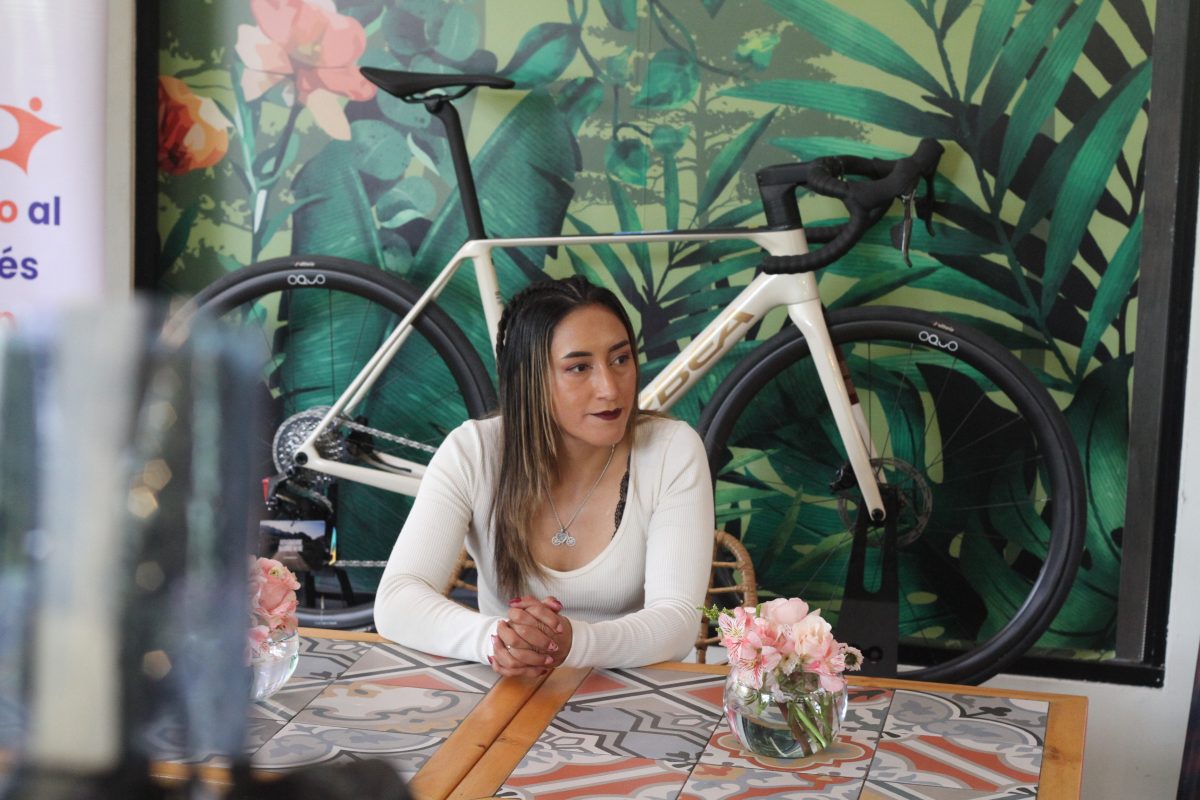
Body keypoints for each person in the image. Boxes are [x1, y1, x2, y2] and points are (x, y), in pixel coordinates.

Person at [374, 276, 714, 676]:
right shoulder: (474, 452)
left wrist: (572, 643)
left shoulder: (672, 450)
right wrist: (496, 640)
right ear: (528, 379)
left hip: (635, 693)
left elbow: (677, 621)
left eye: (620, 359)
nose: (610, 388)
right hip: (509, 689)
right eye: (579, 367)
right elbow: (397, 600)